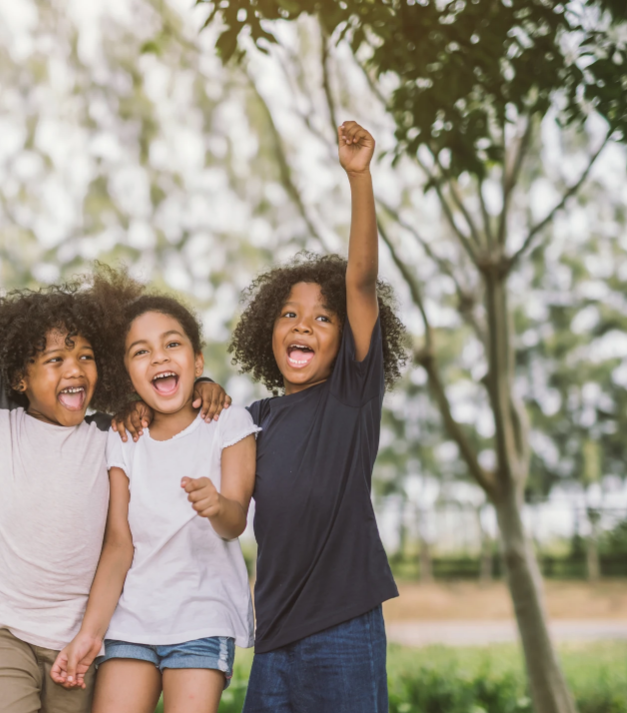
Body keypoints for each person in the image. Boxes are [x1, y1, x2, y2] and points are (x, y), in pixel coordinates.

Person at [0, 193, 231, 713]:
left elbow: (160, 384)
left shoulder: (110, 433)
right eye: (54, 359)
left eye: (85, 356)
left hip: (78, 638)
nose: (74, 368)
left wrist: (201, 385)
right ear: (18, 377)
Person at [228, 122, 408, 713]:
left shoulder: (351, 398)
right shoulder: (250, 420)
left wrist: (359, 178)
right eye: (289, 313)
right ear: (267, 330)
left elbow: (359, 279)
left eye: (323, 319)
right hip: (274, 638)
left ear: (343, 339)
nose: (303, 325)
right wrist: (202, 388)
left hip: (343, 630)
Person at [49, 286, 258, 713]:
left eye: (172, 344)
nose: (159, 357)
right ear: (127, 373)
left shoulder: (228, 423)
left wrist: (217, 505)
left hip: (202, 617)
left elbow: (235, 521)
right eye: (141, 352)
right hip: (132, 622)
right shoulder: (124, 438)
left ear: (197, 361)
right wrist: (90, 633)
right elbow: (118, 545)